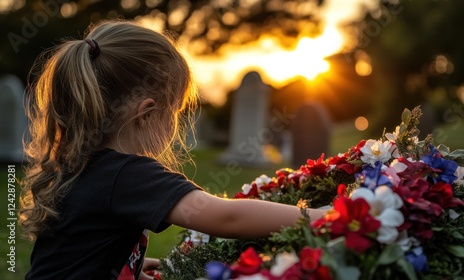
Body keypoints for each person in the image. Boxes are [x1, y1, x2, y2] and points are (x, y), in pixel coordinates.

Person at [19, 20, 327, 280]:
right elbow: (225, 217)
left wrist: (129, 268)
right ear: (147, 113)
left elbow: (72, 259)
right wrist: (318, 216)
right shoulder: (127, 174)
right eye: (176, 112)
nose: (177, 125)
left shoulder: (80, 164)